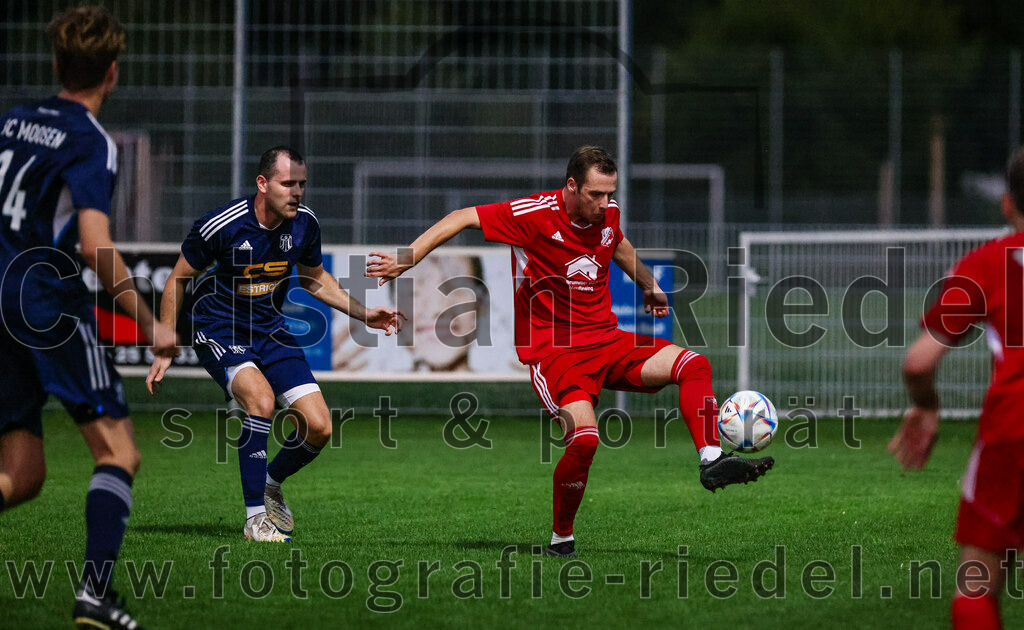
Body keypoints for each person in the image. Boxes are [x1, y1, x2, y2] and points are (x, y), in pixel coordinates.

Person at [367, 145, 774, 558]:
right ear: (572, 186)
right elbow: (461, 217)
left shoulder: (607, 216)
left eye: (610, 194)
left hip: (606, 339)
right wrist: (409, 257)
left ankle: (710, 460)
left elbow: (619, 245)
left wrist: (648, 285)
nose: (605, 203)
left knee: (693, 364)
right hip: (555, 353)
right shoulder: (533, 215)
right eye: (596, 194)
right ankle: (562, 539)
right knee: (585, 441)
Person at [0, 6, 177, 629]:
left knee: (19, 475)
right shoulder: (88, 139)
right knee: (119, 453)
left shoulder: (13, 120)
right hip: (42, 304)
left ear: (54, 64)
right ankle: (96, 594)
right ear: (112, 72)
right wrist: (151, 321)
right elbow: (96, 244)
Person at [147, 146, 404, 542]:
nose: (297, 192)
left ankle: (269, 482)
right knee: (260, 401)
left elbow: (314, 277)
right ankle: (255, 521)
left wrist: (365, 314)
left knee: (319, 428)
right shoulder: (223, 224)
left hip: (270, 329)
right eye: (288, 183)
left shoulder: (305, 224)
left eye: (302, 183)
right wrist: (165, 342)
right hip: (218, 327)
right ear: (263, 184)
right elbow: (178, 278)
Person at [890, 146, 1024, 630]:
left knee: (975, 589)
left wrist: (926, 408)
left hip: (1013, 433)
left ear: (1007, 204)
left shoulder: (988, 265)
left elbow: (919, 360)